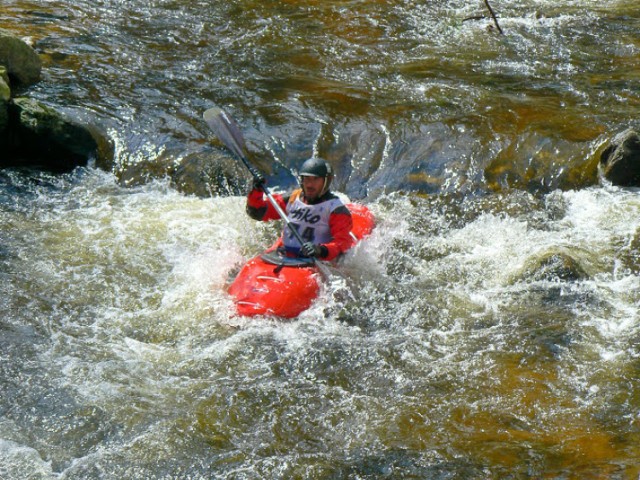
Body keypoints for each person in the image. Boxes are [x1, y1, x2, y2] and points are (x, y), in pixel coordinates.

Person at [246, 157, 354, 261]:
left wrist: (321, 250)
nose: (309, 185)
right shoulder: (292, 198)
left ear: (326, 182)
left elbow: (342, 244)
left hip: (312, 259)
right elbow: (257, 213)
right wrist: (256, 191)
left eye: (315, 179)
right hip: (284, 255)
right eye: (306, 179)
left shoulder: (336, 210)